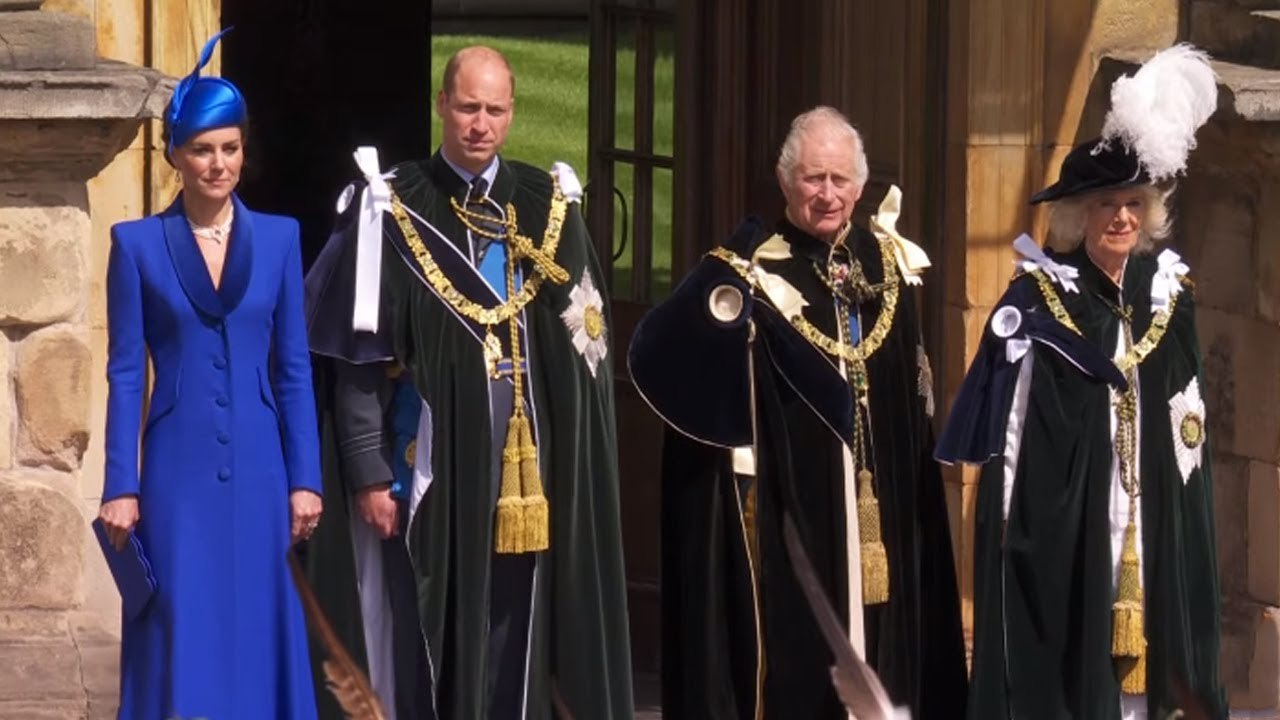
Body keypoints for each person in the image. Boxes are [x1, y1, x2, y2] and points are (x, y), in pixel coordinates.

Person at [303, 45, 634, 719]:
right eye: (466, 107)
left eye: (494, 110)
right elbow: (359, 359)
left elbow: (585, 351)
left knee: (519, 631)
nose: (479, 124)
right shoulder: (392, 207)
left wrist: (575, 470)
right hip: (428, 473)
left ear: (512, 115)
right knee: (433, 626)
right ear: (442, 106)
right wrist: (368, 474)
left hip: (530, 482)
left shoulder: (547, 205)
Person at [633, 105, 966, 719]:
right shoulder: (753, 271)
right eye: (814, 179)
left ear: (861, 186)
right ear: (786, 182)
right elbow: (675, 365)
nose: (828, 194)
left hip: (883, 513)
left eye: (840, 180)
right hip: (797, 511)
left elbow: (906, 401)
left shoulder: (886, 265)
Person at [936, 44, 1227, 719]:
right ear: (1078, 216)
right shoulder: (1039, 302)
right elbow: (1007, 438)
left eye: (1132, 204)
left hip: (1151, 514)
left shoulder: (1169, 295)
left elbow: (1189, 428)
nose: (1121, 218)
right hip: (1075, 527)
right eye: (1105, 206)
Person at [96, 29, 322, 720]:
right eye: (202, 149)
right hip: (177, 471)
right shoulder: (134, 246)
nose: (218, 164)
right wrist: (120, 485)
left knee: (259, 618)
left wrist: (305, 477)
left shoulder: (281, 237)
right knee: (183, 620)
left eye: (230, 147)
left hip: (261, 468)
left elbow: (292, 370)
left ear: (244, 152)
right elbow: (126, 372)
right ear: (175, 155)